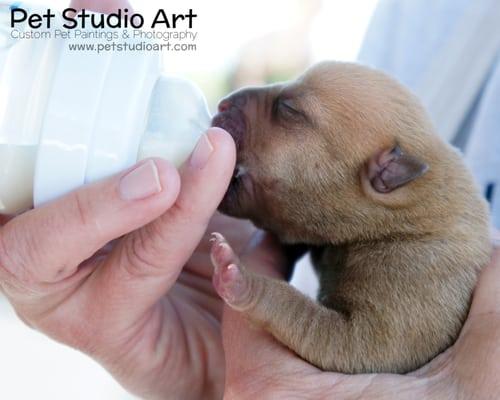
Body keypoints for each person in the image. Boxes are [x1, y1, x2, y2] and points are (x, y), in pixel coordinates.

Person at [0, 2, 498, 400]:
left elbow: (357, 348)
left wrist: (258, 296)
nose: (233, 101)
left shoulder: (423, 267)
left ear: (386, 176)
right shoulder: (439, 22)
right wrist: (211, 368)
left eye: (286, 110)